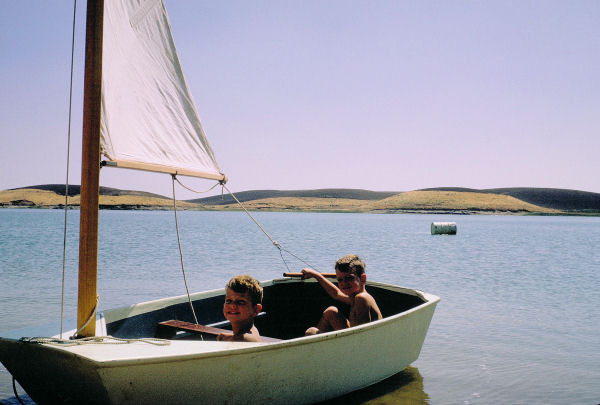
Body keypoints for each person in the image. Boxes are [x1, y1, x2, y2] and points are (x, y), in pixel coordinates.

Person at [302, 254, 382, 335]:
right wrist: (316, 275)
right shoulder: (355, 297)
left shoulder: (362, 298)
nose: (344, 283)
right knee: (331, 312)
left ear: (363, 279)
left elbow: (362, 336)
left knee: (311, 332)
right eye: (340, 280)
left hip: (361, 342)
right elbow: (336, 294)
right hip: (355, 338)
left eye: (349, 278)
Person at [217, 274, 264, 342]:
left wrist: (232, 340)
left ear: (256, 310)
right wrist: (232, 337)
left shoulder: (241, 340)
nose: (232, 305)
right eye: (229, 301)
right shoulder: (251, 331)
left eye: (240, 302)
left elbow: (242, 339)